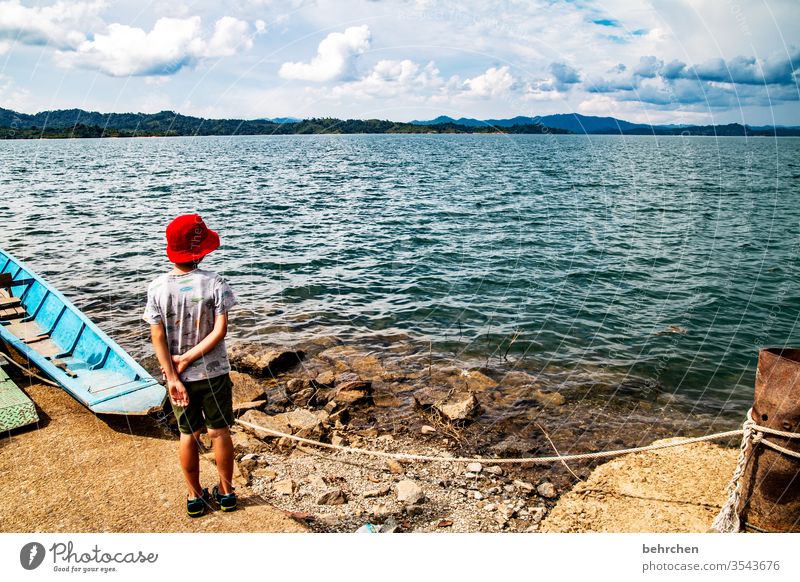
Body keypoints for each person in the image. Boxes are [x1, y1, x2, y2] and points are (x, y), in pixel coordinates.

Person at [143, 214, 238, 517]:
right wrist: (190, 357)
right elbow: (219, 331)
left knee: (188, 435)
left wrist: (173, 374)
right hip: (214, 373)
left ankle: (194, 497)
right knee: (219, 433)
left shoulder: (157, 288)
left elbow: (156, 335)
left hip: (180, 378)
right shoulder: (214, 283)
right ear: (200, 250)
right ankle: (226, 493)